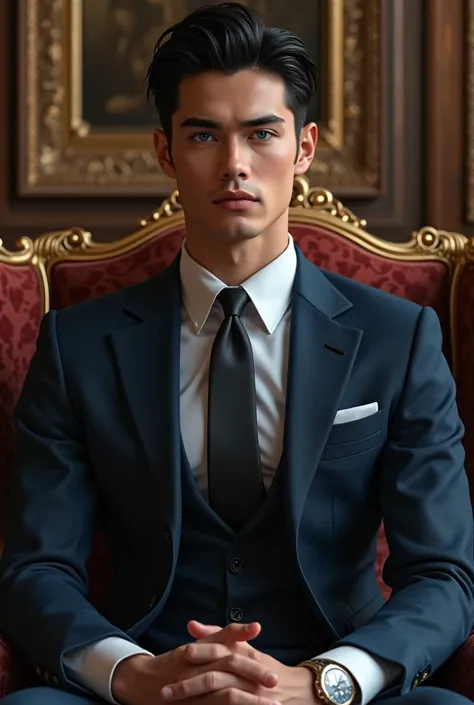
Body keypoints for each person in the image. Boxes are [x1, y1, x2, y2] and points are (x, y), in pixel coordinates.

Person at [1, 3, 473, 705]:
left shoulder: (398, 338)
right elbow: (35, 568)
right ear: (166, 151)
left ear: (304, 147)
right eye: (203, 135)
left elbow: (442, 573)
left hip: (332, 678)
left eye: (262, 134)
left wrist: (324, 681)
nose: (234, 165)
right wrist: (131, 673)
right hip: (146, 674)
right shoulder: (78, 344)